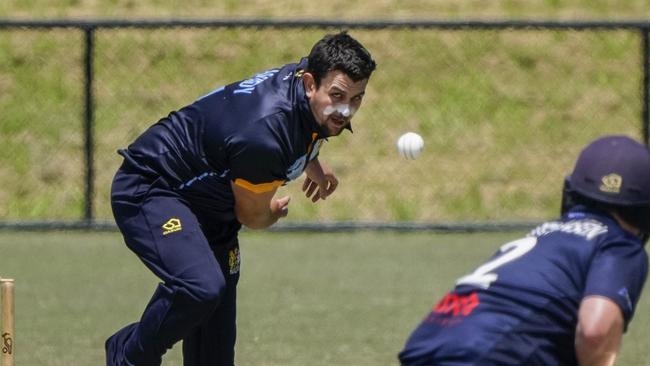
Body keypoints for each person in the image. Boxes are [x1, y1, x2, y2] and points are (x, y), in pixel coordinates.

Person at [105, 31, 376, 366]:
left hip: (210, 203)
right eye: (337, 95)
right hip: (152, 187)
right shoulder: (264, 139)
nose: (346, 109)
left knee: (215, 350)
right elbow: (252, 215)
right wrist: (273, 211)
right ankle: (127, 355)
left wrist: (311, 162)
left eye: (357, 98)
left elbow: (300, 125)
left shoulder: (310, 76)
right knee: (200, 287)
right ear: (309, 83)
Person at [399, 135, 650, 366]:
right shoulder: (619, 244)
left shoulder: (546, 233)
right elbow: (596, 330)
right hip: (496, 351)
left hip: (428, 341)